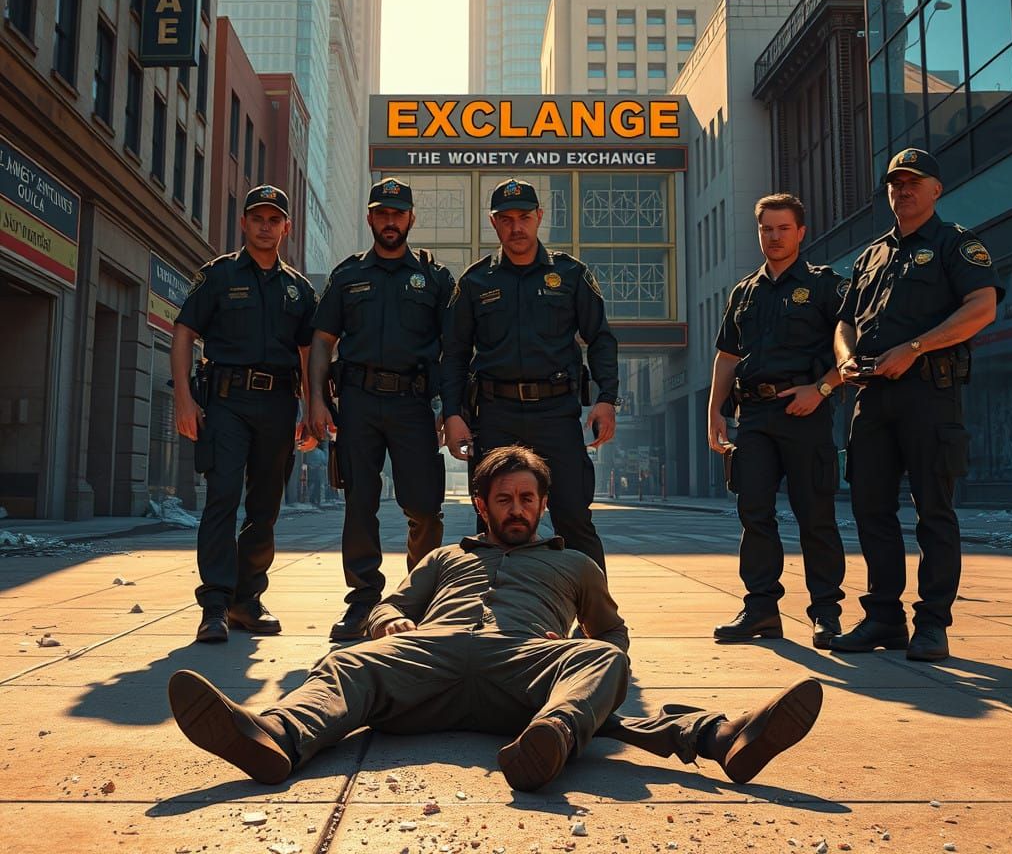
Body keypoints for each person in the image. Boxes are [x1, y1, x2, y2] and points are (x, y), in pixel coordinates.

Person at [168, 445, 823, 791]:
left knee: (600, 662)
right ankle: (273, 738)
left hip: (524, 673)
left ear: (542, 504)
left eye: (528, 499)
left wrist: (566, 648)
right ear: (482, 505)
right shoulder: (446, 558)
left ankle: (552, 742)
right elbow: (393, 603)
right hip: (430, 660)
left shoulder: (575, 567)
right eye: (504, 499)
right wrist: (390, 624)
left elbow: (612, 638)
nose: (518, 509)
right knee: (349, 662)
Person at [832, 148, 1002, 662]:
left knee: (934, 512)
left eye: (913, 182)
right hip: (872, 399)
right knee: (871, 509)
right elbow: (844, 322)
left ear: (936, 189)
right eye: (895, 183)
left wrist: (915, 347)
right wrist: (844, 360)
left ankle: (932, 624)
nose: (902, 191)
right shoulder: (871, 255)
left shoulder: (957, 245)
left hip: (929, 393)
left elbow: (983, 308)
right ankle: (883, 616)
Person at [441, 178, 619, 572]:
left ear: (539, 217)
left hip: (556, 413)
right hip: (494, 415)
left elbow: (601, 338)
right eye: (506, 219)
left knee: (573, 515)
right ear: (493, 222)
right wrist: (452, 414)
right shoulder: (475, 282)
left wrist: (607, 398)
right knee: (492, 520)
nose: (516, 227)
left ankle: (598, 617)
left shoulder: (571, 275)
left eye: (524, 217)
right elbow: (453, 354)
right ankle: (492, 616)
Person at [307, 178, 454, 642]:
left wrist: (449, 408)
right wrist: (314, 398)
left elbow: (455, 348)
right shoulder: (348, 276)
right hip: (358, 403)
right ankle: (364, 601)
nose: (390, 221)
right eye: (382, 213)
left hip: (413, 403)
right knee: (359, 505)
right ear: (370, 218)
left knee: (425, 508)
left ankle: (418, 599)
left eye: (398, 213)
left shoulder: (435, 278)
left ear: (411, 218)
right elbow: (322, 341)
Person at [172, 184, 315, 643]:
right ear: (244, 223)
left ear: (286, 228)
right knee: (223, 496)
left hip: (277, 403)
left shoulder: (299, 290)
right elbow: (182, 333)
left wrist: (313, 409)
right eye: (258, 218)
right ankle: (214, 604)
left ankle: (246, 600)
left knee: (266, 506)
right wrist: (183, 400)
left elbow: (309, 353)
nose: (266, 226)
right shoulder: (216, 276)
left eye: (275, 219)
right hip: (227, 401)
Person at [707, 194, 847, 650]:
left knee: (815, 516)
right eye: (766, 228)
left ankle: (826, 614)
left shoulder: (825, 286)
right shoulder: (744, 291)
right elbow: (727, 356)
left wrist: (821, 389)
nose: (774, 236)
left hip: (804, 410)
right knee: (754, 514)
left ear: (801, 231)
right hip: (755, 416)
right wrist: (715, 413)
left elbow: (851, 347)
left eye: (783, 228)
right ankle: (761, 609)